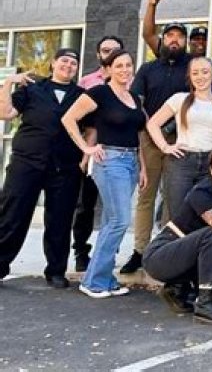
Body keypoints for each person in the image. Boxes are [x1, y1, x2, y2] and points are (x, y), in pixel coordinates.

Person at [62, 49, 148, 298]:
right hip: (109, 161)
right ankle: (94, 281)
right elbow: (69, 119)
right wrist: (86, 148)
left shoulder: (134, 98)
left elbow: (138, 135)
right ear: (108, 69)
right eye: (119, 65)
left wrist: (142, 166)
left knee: (112, 222)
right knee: (120, 220)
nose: (125, 70)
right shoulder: (99, 93)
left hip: (131, 161)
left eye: (128, 65)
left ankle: (103, 278)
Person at [0, 49, 86, 288]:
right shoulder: (32, 89)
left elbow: (91, 128)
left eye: (73, 63)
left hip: (65, 166)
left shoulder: (81, 96)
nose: (68, 66)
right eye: (64, 61)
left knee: (60, 220)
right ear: (53, 63)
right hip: (26, 162)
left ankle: (56, 271)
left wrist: (85, 155)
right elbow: (5, 113)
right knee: (12, 214)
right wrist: (8, 82)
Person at [143, 144, 212, 324]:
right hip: (160, 255)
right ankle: (205, 304)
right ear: (211, 170)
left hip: (187, 256)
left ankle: (178, 290)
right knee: (211, 233)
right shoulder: (201, 192)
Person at [120, 21, 191, 274]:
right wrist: (152, 127)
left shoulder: (192, 67)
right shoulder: (148, 69)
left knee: (174, 198)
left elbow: (195, 99)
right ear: (163, 40)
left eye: (179, 36)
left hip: (180, 140)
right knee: (146, 196)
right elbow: (136, 101)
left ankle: (166, 249)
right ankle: (140, 250)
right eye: (170, 35)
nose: (174, 40)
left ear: (185, 41)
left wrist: (170, 127)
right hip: (149, 139)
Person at [146, 57, 212, 219]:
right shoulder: (179, 99)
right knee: (178, 215)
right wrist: (165, 147)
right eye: (195, 73)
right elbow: (153, 124)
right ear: (189, 77)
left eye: (205, 72)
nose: (200, 77)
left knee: (206, 216)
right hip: (182, 162)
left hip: (210, 164)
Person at [73, 35, 124, 273]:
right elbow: (76, 119)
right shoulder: (86, 82)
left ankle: (107, 255)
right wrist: (85, 152)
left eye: (115, 50)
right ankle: (81, 252)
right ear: (98, 54)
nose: (110, 54)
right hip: (93, 150)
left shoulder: (127, 81)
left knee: (115, 210)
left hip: (119, 153)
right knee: (86, 205)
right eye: (105, 50)